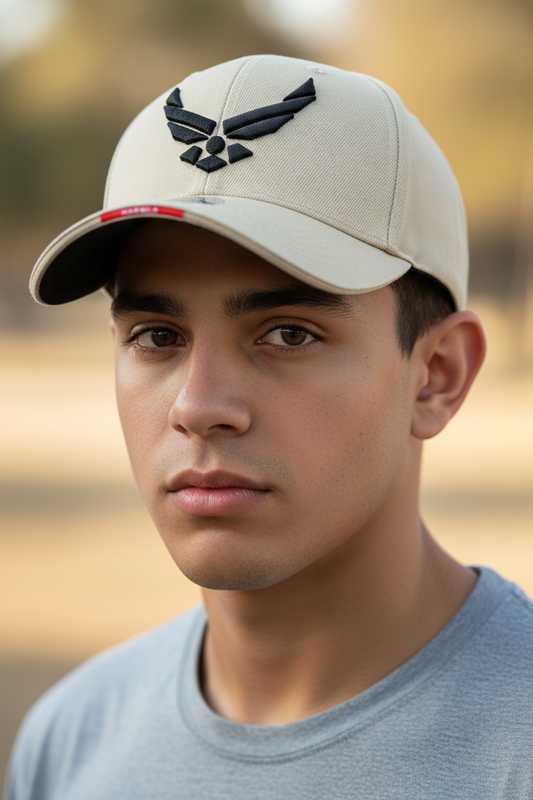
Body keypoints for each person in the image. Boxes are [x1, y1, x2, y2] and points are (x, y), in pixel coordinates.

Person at [6, 54, 533, 799]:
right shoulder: (72, 740)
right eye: (156, 336)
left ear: (437, 374)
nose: (197, 406)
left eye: (288, 334)